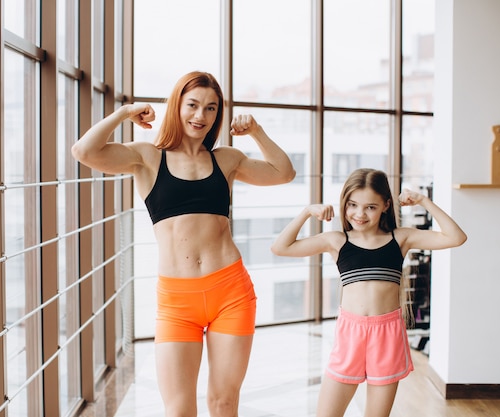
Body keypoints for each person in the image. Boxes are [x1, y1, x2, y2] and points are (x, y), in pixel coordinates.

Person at [71, 71, 295, 417]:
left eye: (210, 108)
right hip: (177, 302)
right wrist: (124, 113)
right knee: (179, 410)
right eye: (192, 105)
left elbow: (284, 173)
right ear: (177, 106)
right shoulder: (147, 157)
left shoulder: (227, 160)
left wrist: (256, 132)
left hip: (230, 293)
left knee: (223, 403)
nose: (200, 116)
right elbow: (84, 151)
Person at [270, 168, 467, 417]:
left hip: (387, 335)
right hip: (350, 334)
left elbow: (456, 237)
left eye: (370, 207)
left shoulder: (401, 238)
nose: (359, 214)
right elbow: (280, 247)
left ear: (386, 205)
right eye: (353, 204)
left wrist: (424, 201)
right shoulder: (337, 240)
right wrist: (307, 212)